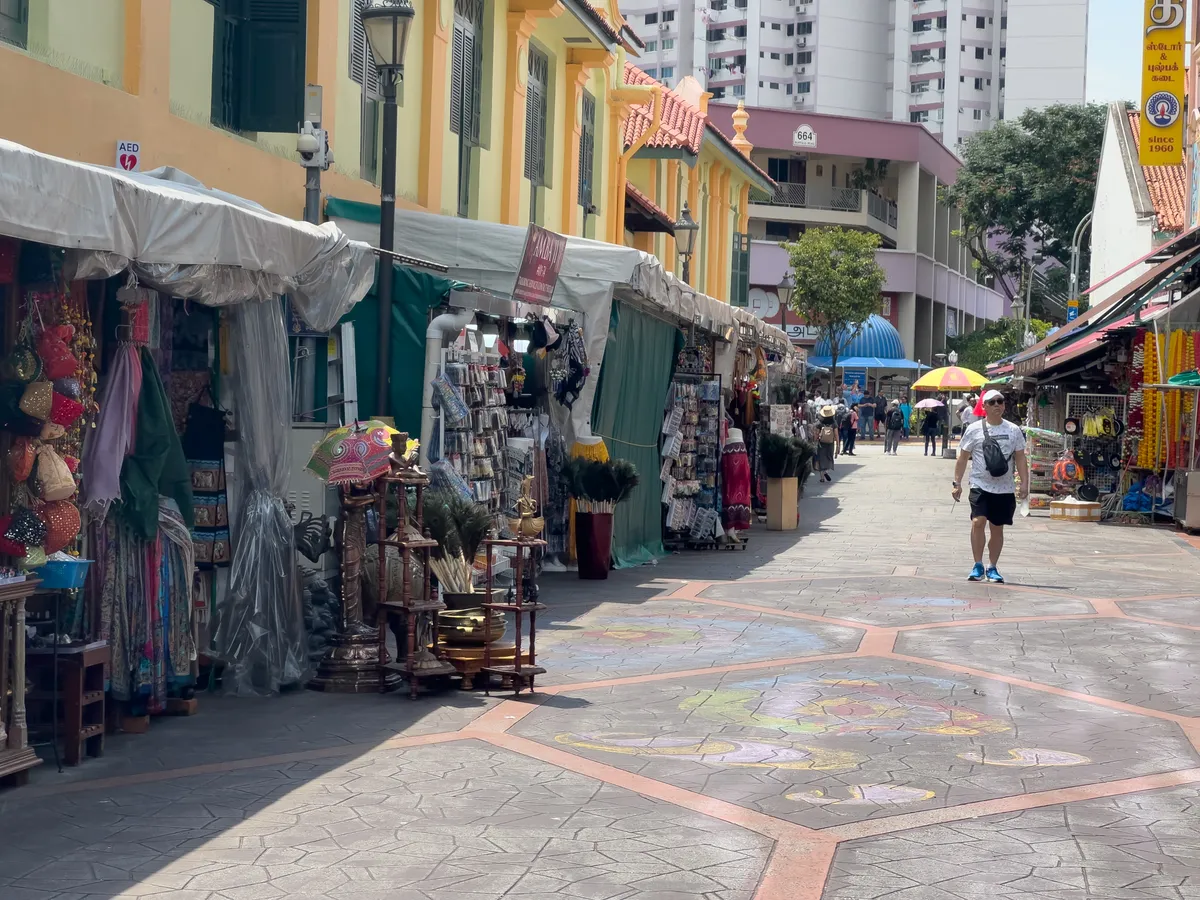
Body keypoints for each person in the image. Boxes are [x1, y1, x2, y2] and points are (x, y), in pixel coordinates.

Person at [952, 389, 1030, 583]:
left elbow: (1020, 458)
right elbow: (962, 458)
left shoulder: (1014, 430)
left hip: (1004, 488)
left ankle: (992, 566)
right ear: (984, 406)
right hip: (980, 484)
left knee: (997, 528)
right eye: (992, 402)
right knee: (978, 521)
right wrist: (957, 483)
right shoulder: (974, 429)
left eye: (1000, 401)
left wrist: (1025, 484)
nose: (997, 405)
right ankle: (977, 565)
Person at [816, 405, 838, 482]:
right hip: (830, 443)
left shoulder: (820, 423)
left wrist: (815, 441)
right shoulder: (833, 423)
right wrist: (838, 446)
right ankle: (826, 471)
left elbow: (816, 434)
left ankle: (822, 477)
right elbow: (836, 435)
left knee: (821, 459)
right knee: (829, 457)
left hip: (821, 443)